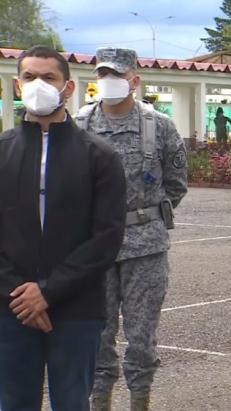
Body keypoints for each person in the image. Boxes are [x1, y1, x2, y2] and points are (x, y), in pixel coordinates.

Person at [0, 45, 126, 411]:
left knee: (72, 402)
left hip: (77, 309)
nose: (38, 84)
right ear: (17, 85)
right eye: (29, 77)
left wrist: (49, 291)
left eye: (48, 77)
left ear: (68, 88)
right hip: (10, 307)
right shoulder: (2, 152)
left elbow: (106, 238)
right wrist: (20, 293)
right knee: (13, 402)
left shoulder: (99, 156)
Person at [75, 47, 188, 411]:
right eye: (103, 74)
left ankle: (140, 401)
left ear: (134, 80)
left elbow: (176, 184)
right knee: (97, 334)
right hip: (95, 247)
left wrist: (146, 216)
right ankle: (100, 403)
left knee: (141, 338)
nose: (109, 81)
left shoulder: (159, 126)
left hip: (146, 248)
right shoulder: (79, 125)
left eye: (117, 75)